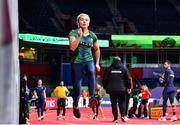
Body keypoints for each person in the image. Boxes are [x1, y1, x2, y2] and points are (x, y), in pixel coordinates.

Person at [68, 13, 100, 119]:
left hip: (89, 60)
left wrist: (97, 63)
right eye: (82, 20)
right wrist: (79, 36)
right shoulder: (73, 33)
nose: (84, 21)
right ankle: (76, 106)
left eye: (86, 20)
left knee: (91, 71)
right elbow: (72, 48)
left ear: (89, 22)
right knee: (78, 90)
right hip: (76, 62)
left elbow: (96, 49)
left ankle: (92, 97)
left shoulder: (92, 35)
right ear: (78, 22)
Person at [103, 56, 131, 123]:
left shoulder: (109, 69)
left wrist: (105, 87)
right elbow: (128, 79)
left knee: (114, 103)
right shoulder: (124, 69)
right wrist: (128, 87)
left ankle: (115, 118)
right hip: (122, 90)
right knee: (122, 103)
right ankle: (123, 116)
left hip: (112, 90)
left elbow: (104, 79)